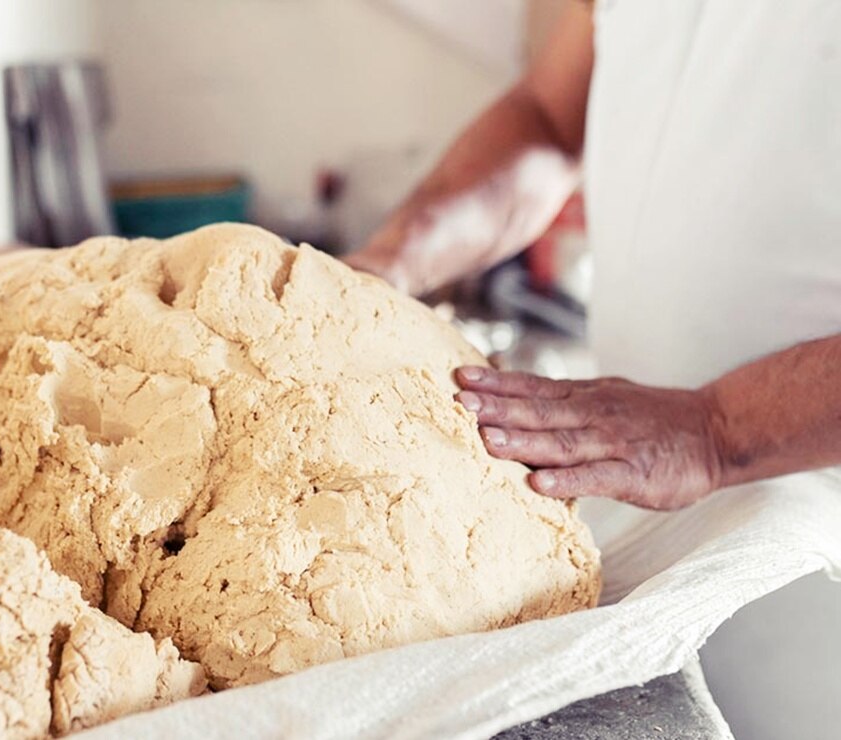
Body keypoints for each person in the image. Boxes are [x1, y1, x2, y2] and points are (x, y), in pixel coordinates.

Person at [344, 1, 841, 736]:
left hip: (814, 548)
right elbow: (547, 119)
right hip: (655, 488)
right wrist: (383, 268)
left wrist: (717, 427)